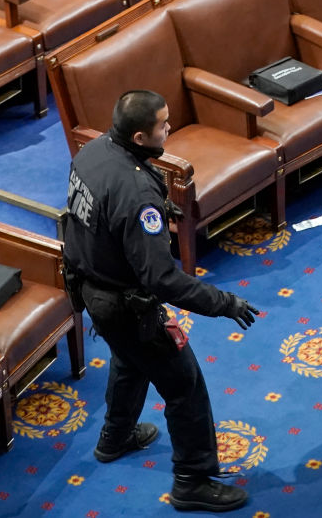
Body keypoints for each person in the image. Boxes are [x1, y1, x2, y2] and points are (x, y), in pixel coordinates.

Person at [63, 90, 259, 513]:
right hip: (127, 305)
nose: (169, 128)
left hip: (93, 290)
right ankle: (192, 480)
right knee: (184, 386)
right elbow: (163, 279)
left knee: (129, 360)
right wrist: (224, 303)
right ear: (138, 135)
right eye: (163, 124)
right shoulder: (137, 195)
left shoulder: (92, 151)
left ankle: (115, 438)